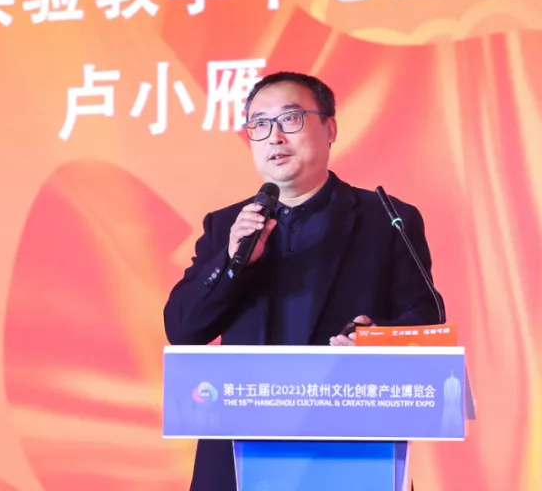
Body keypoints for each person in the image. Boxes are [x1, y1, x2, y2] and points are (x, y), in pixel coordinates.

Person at [163, 71, 446, 491]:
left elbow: (425, 320)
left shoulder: (385, 218)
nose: (274, 137)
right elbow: (183, 329)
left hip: (349, 449)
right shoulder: (227, 225)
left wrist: (377, 339)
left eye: (290, 119)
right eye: (259, 124)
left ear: (329, 129)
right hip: (239, 452)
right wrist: (231, 261)